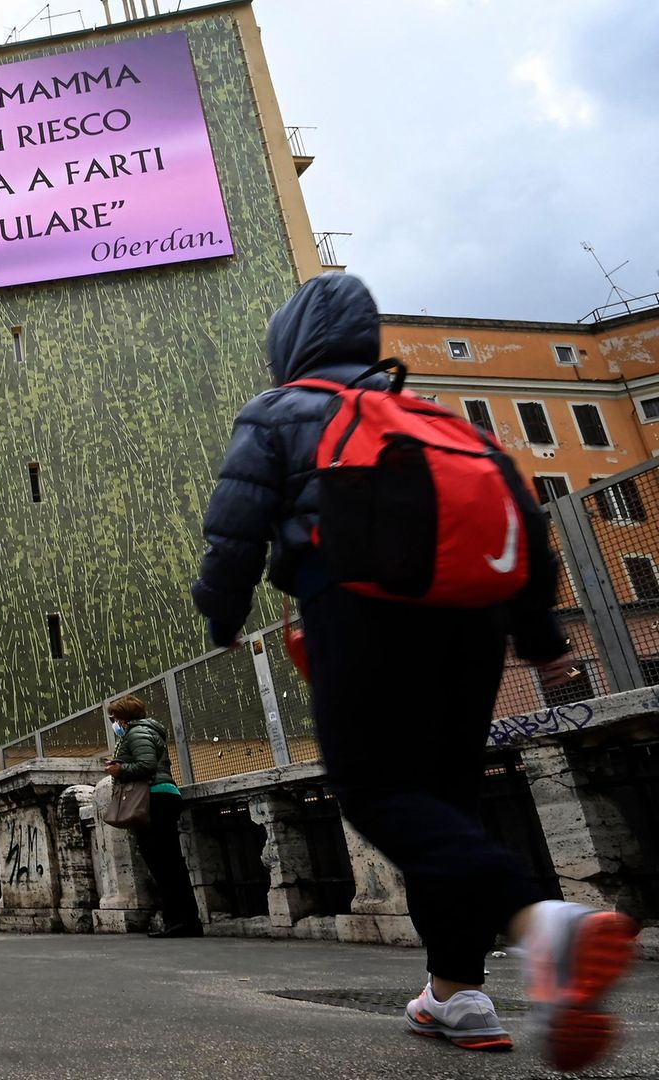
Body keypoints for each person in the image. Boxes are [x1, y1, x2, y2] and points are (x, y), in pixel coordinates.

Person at [191, 272, 637, 1070]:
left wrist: (222, 615)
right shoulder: (432, 415)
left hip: (359, 609)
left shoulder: (279, 411)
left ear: (289, 344)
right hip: (472, 627)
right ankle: (457, 993)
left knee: (376, 791)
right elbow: (523, 521)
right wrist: (541, 639)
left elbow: (235, 529)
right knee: (448, 810)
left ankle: (546, 925)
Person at [103, 693, 201, 938]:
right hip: (160, 797)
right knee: (169, 862)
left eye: (115, 716)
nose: (113, 721)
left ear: (124, 715)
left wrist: (120, 769)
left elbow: (146, 764)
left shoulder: (137, 733)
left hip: (154, 798)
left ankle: (180, 922)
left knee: (162, 863)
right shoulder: (145, 732)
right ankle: (184, 921)